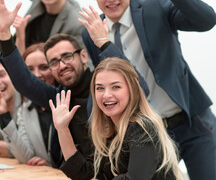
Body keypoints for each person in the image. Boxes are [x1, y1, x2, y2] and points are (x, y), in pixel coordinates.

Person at [81, 0, 216, 180]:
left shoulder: (155, 6)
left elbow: (207, 20)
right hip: (147, 134)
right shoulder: (92, 32)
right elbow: (104, 80)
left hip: (191, 123)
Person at [0, 0, 149, 170]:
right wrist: (4, 34)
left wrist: (103, 42)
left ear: (83, 55)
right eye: (54, 62)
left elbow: (139, 87)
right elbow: (25, 82)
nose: (62, 65)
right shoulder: (59, 97)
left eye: (67, 56)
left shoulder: (104, 89)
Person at [50, 57, 181, 179]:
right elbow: (84, 173)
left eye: (116, 87)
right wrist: (62, 129)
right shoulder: (108, 133)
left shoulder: (142, 127)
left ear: (132, 90)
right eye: (100, 88)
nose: (106, 95)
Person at [0, 43, 55, 166]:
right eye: (29, 70)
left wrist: (51, 165)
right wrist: (3, 115)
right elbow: (25, 156)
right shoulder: (25, 107)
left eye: (44, 67)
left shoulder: (67, 101)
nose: (37, 75)